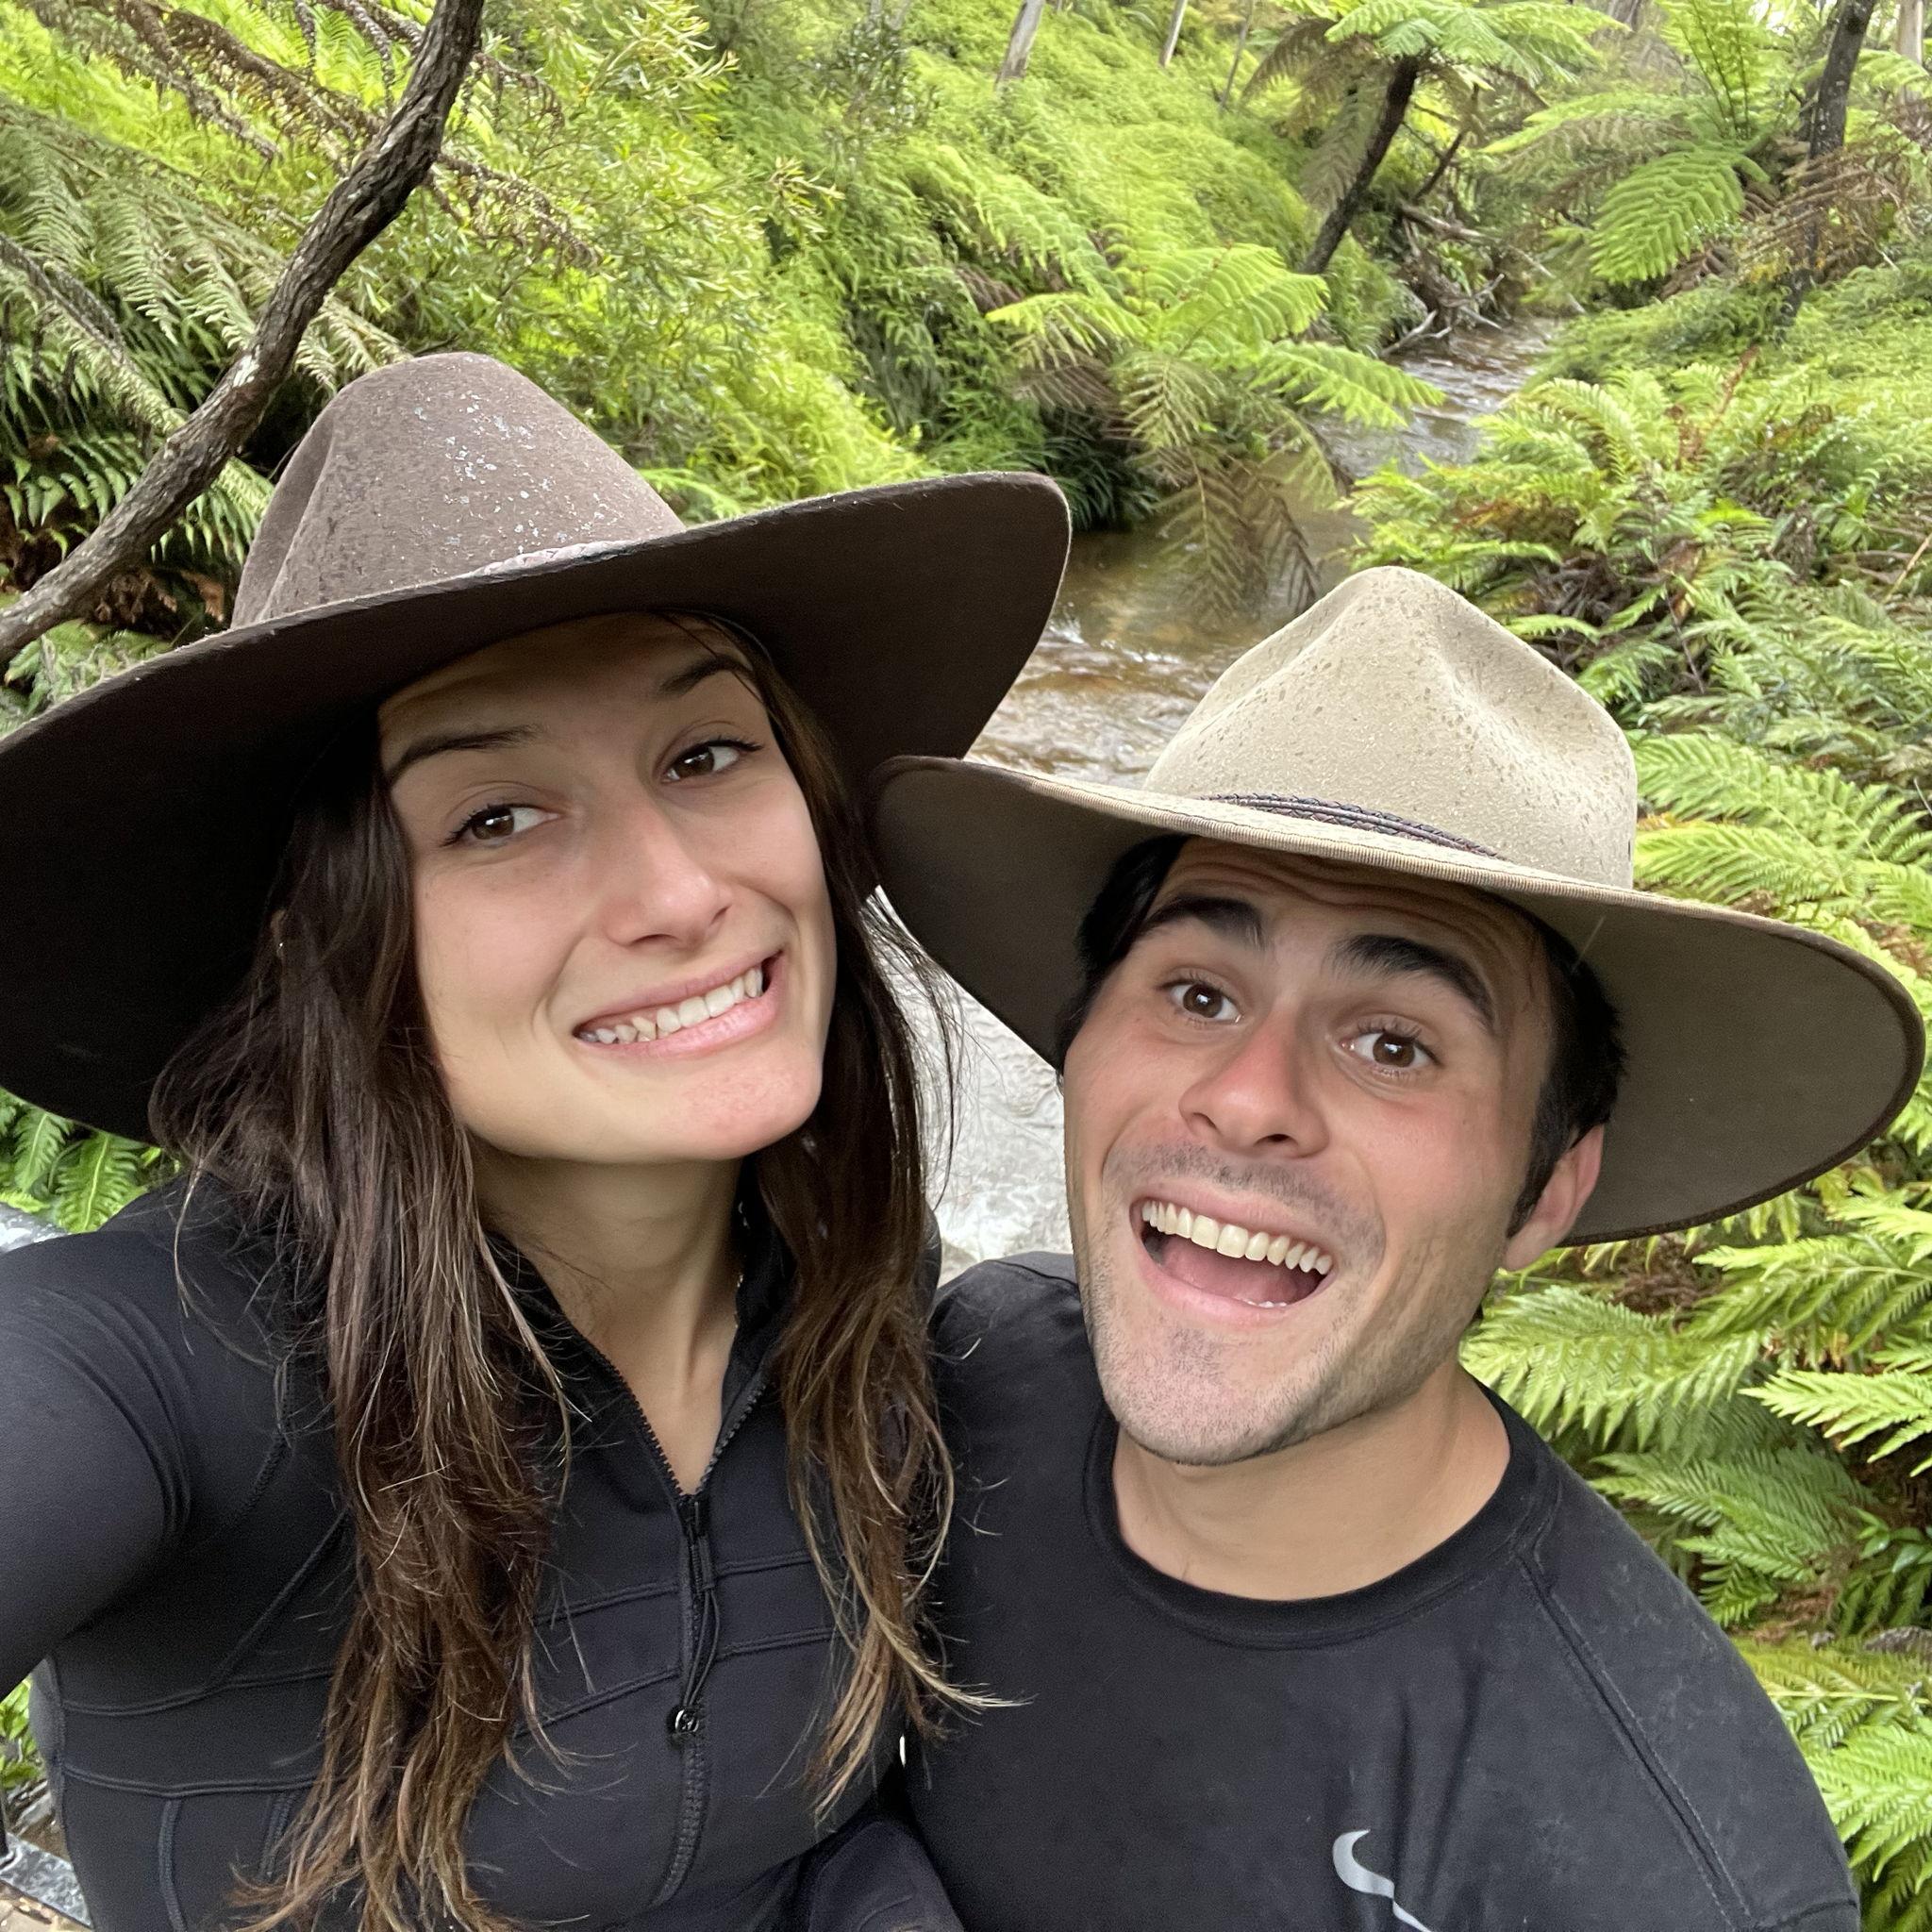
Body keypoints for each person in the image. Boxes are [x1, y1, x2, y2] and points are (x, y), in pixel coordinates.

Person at [0, 353, 1067, 1932]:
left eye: (706, 755)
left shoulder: (860, 1293)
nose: (680, 895)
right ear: (320, 944)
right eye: (496, 817)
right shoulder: (157, 1369)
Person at [868, 567, 1923, 1931]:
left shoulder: (1658, 1875)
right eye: (1197, 993)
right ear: (1077, 1053)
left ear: (1545, 1192)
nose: (1248, 1098)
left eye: (1394, 1044)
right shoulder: (972, 1371)